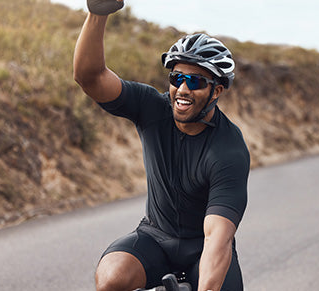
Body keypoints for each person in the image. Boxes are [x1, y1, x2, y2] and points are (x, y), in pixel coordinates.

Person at [73, 1, 250, 290]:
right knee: (111, 278)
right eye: (176, 78)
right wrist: (97, 14)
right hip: (155, 238)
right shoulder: (152, 108)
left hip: (202, 249)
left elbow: (217, 238)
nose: (182, 89)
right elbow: (90, 77)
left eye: (195, 81)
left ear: (216, 90)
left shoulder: (229, 150)